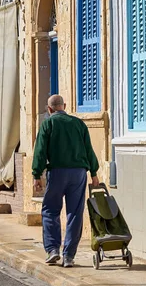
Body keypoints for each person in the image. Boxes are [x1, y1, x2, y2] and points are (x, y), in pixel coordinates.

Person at [32, 95, 99, 267]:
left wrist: (36, 174)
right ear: (65, 106)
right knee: (75, 213)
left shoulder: (48, 124)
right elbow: (88, 149)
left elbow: (40, 151)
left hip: (57, 173)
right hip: (78, 174)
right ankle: (68, 255)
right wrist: (94, 172)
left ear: (49, 109)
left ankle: (53, 250)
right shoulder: (78, 124)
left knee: (50, 211)